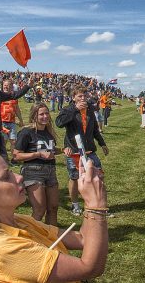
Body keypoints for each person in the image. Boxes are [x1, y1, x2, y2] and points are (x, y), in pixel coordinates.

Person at [0, 143, 108, 283]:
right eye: (6, 177)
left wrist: (91, 202)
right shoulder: (0, 248)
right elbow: (89, 268)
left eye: (11, 171)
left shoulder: (19, 221)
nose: (18, 177)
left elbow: (83, 239)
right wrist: (95, 205)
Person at [56, 86, 109, 216]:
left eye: (85, 95)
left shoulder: (90, 109)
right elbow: (59, 123)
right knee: (74, 177)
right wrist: (75, 110)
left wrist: (102, 144)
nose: (83, 98)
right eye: (80, 96)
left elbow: (95, 129)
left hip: (90, 150)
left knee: (98, 176)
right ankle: (75, 205)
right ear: (73, 97)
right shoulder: (68, 109)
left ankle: (99, 205)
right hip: (74, 150)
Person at [13, 103, 60, 225]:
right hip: (33, 171)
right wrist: (38, 154)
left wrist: (63, 150)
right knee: (39, 210)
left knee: (53, 208)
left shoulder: (48, 132)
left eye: (47, 113)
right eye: (41, 114)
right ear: (34, 116)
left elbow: (50, 150)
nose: (45, 116)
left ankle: (51, 238)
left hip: (50, 171)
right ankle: (32, 237)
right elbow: (16, 155)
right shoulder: (26, 132)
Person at [0, 79, 24, 154]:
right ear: (2, 86)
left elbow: (17, 109)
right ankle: (3, 158)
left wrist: (21, 120)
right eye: (5, 85)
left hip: (12, 123)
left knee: (14, 141)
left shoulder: (14, 97)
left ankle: (14, 158)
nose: (6, 87)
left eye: (8, 85)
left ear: (12, 87)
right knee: (4, 141)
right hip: (2, 122)